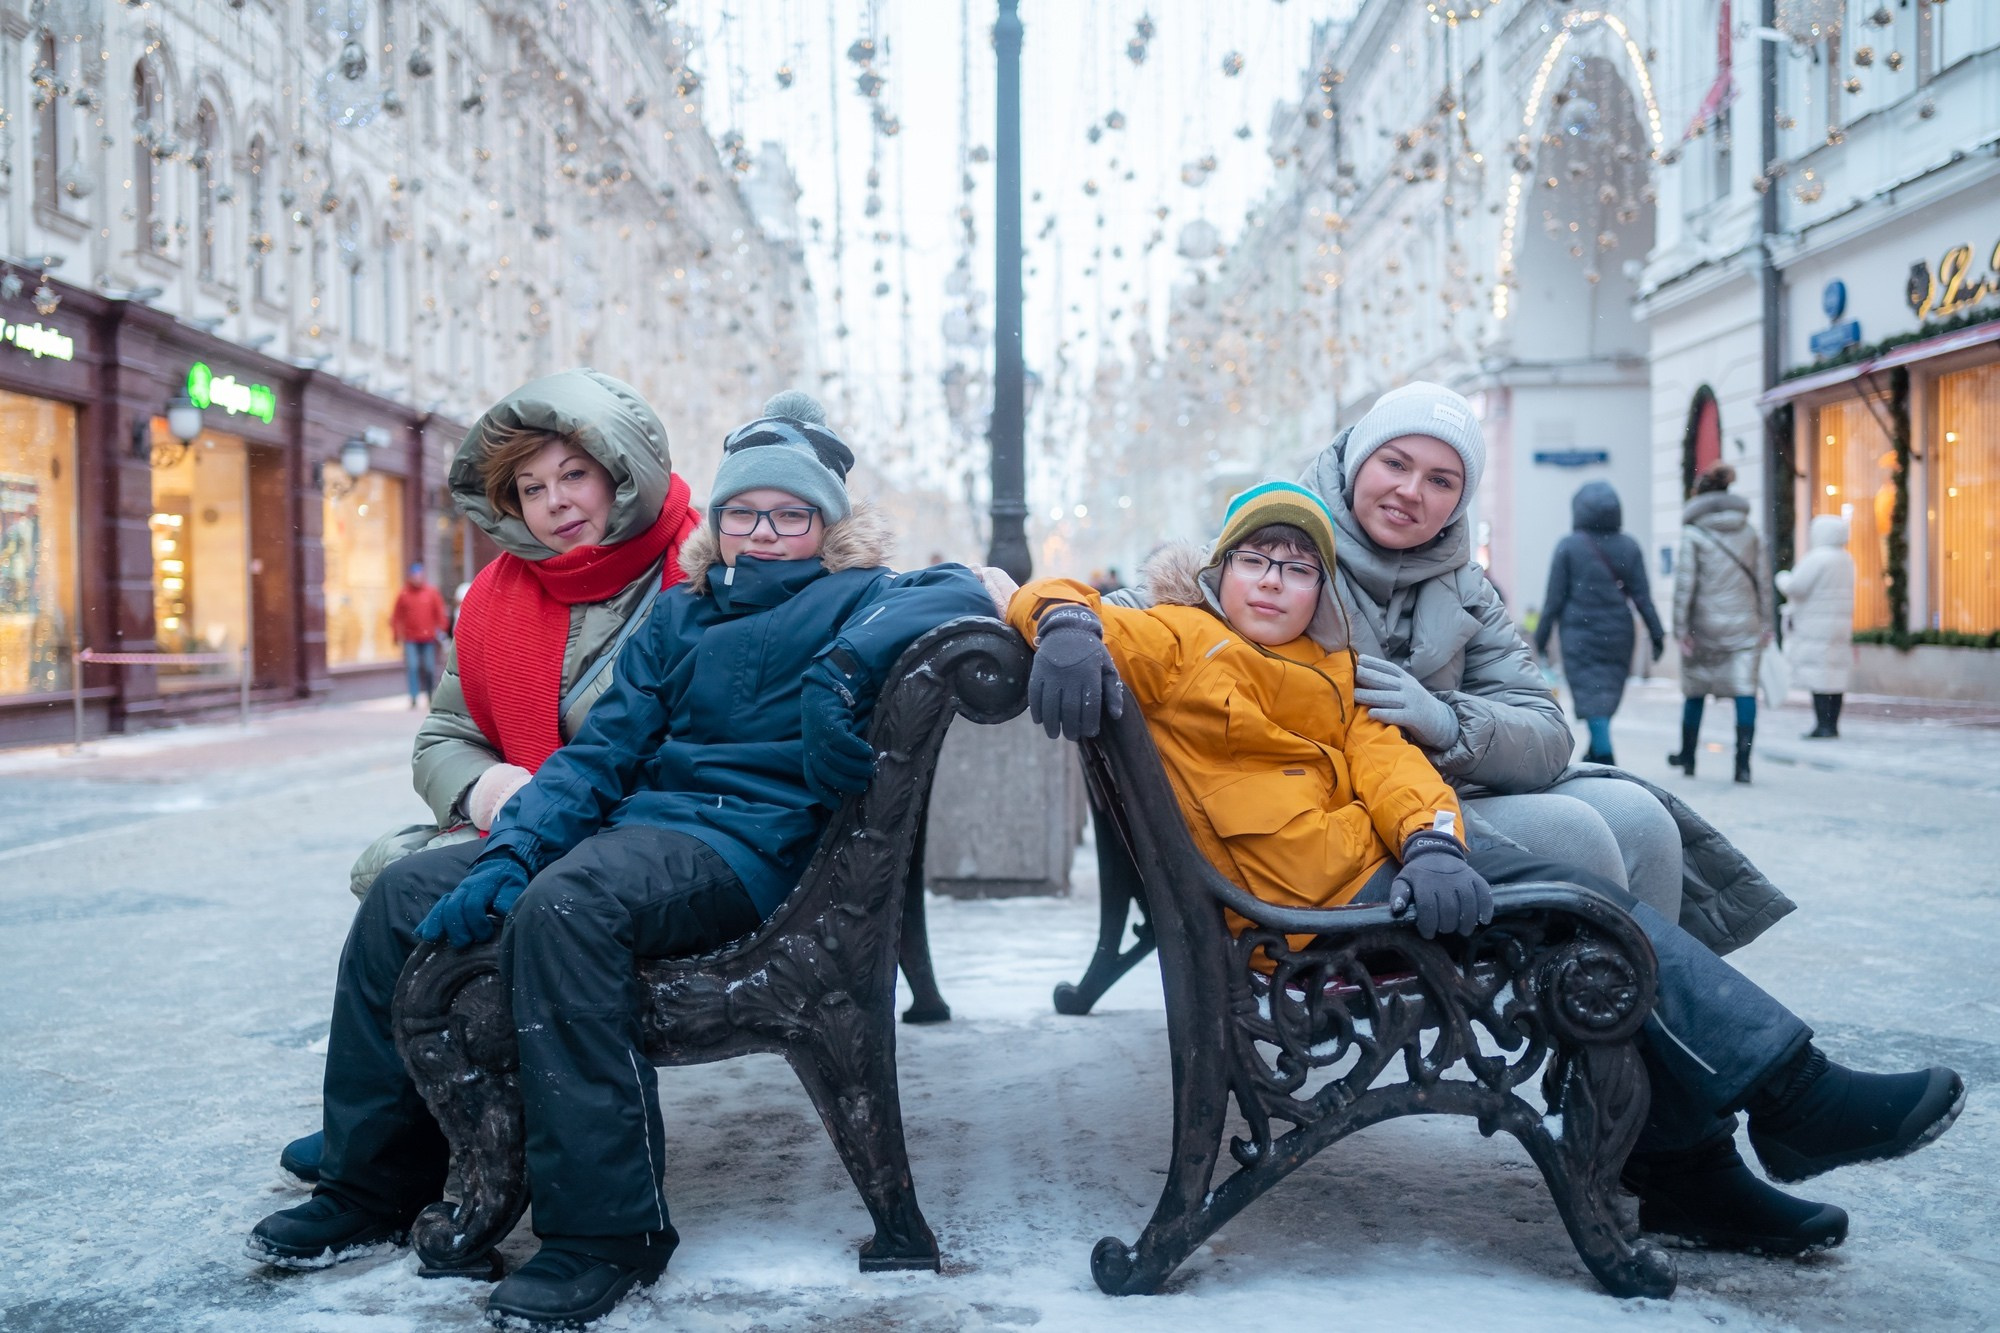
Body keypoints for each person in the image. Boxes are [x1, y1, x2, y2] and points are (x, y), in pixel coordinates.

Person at [1012, 481, 1964, 1260]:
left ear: (1319, 594)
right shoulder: (1178, 641)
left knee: (1594, 916)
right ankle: (1784, 1103)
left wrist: (1430, 840)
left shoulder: (1326, 670)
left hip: (1381, 873)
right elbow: (1034, 589)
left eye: (1298, 568)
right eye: (1256, 561)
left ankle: (1721, 1145)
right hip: (1303, 908)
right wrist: (1062, 627)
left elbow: (1391, 764)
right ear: (1219, 575)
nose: (1274, 581)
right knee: (1593, 910)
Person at [247, 400, 992, 1328]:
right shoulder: (682, 615)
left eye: (789, 514)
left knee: (567, 906)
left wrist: (841, 670)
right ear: (717, 523)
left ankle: (607, 1233)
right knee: (406, 892)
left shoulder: (859, 594)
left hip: (744, 853)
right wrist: (508, 849)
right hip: (642, 830)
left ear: (826, 526)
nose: (762, 533)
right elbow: (598, 757)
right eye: (742, 513)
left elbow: (963, 589)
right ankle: (371, 1185)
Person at [280, 368, 704, 1186]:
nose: (556, 501)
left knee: (449, 899)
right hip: (527, 820)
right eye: (531, 486)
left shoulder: (700, 570)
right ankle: (382, 1142)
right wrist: (487, 789)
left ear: (624, 470)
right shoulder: (497, 596)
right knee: (402, 892)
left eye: (574, 473)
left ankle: (424, 1138)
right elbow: (445, 734)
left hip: (639, 836)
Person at [1533, 482, 1666, 765]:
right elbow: (1642, 596)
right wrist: (1657, 634)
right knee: (1604, 695)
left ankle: (1605, 756)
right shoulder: (1629, 546)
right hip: (1618, 632)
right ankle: (1597, 749)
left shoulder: (1568, 546)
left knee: (1591, 695)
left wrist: (1541, 638)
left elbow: (1553, 599)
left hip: (1578, 633)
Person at [1669, 463, 1772, 784]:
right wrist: (1767, 623)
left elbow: (1685, 585)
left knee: (1695, 691)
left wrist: (1681, 629)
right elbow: (1764, 582)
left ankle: (1688, 757)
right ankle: (1743, 764)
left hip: (1704, 627)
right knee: (1745, 692)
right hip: (1745, 624)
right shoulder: (1750, 532)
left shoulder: (1693, 534)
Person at [1776, 513, 1856, 740]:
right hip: (1839, 624)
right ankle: (1832, 723)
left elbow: (1796, 587)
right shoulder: (1846, 559)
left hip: (1814, 624)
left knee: (1819, 675)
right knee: (1835, 674)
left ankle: (1823, 724)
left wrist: (1781, 577)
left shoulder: (1817, 558)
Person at [388, 562, 450, 708]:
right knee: (413, 666)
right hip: (411, 638)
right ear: (410, 577)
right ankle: (414, 697)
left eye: (419, 575)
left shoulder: (431, 593)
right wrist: (396, 635)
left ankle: (429, 694)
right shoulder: (404, 594)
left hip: (428, 638)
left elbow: (440, 613)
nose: (417, 578)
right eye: (414, 575)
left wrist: (441, 629)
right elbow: (396, 616)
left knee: (429, 668)